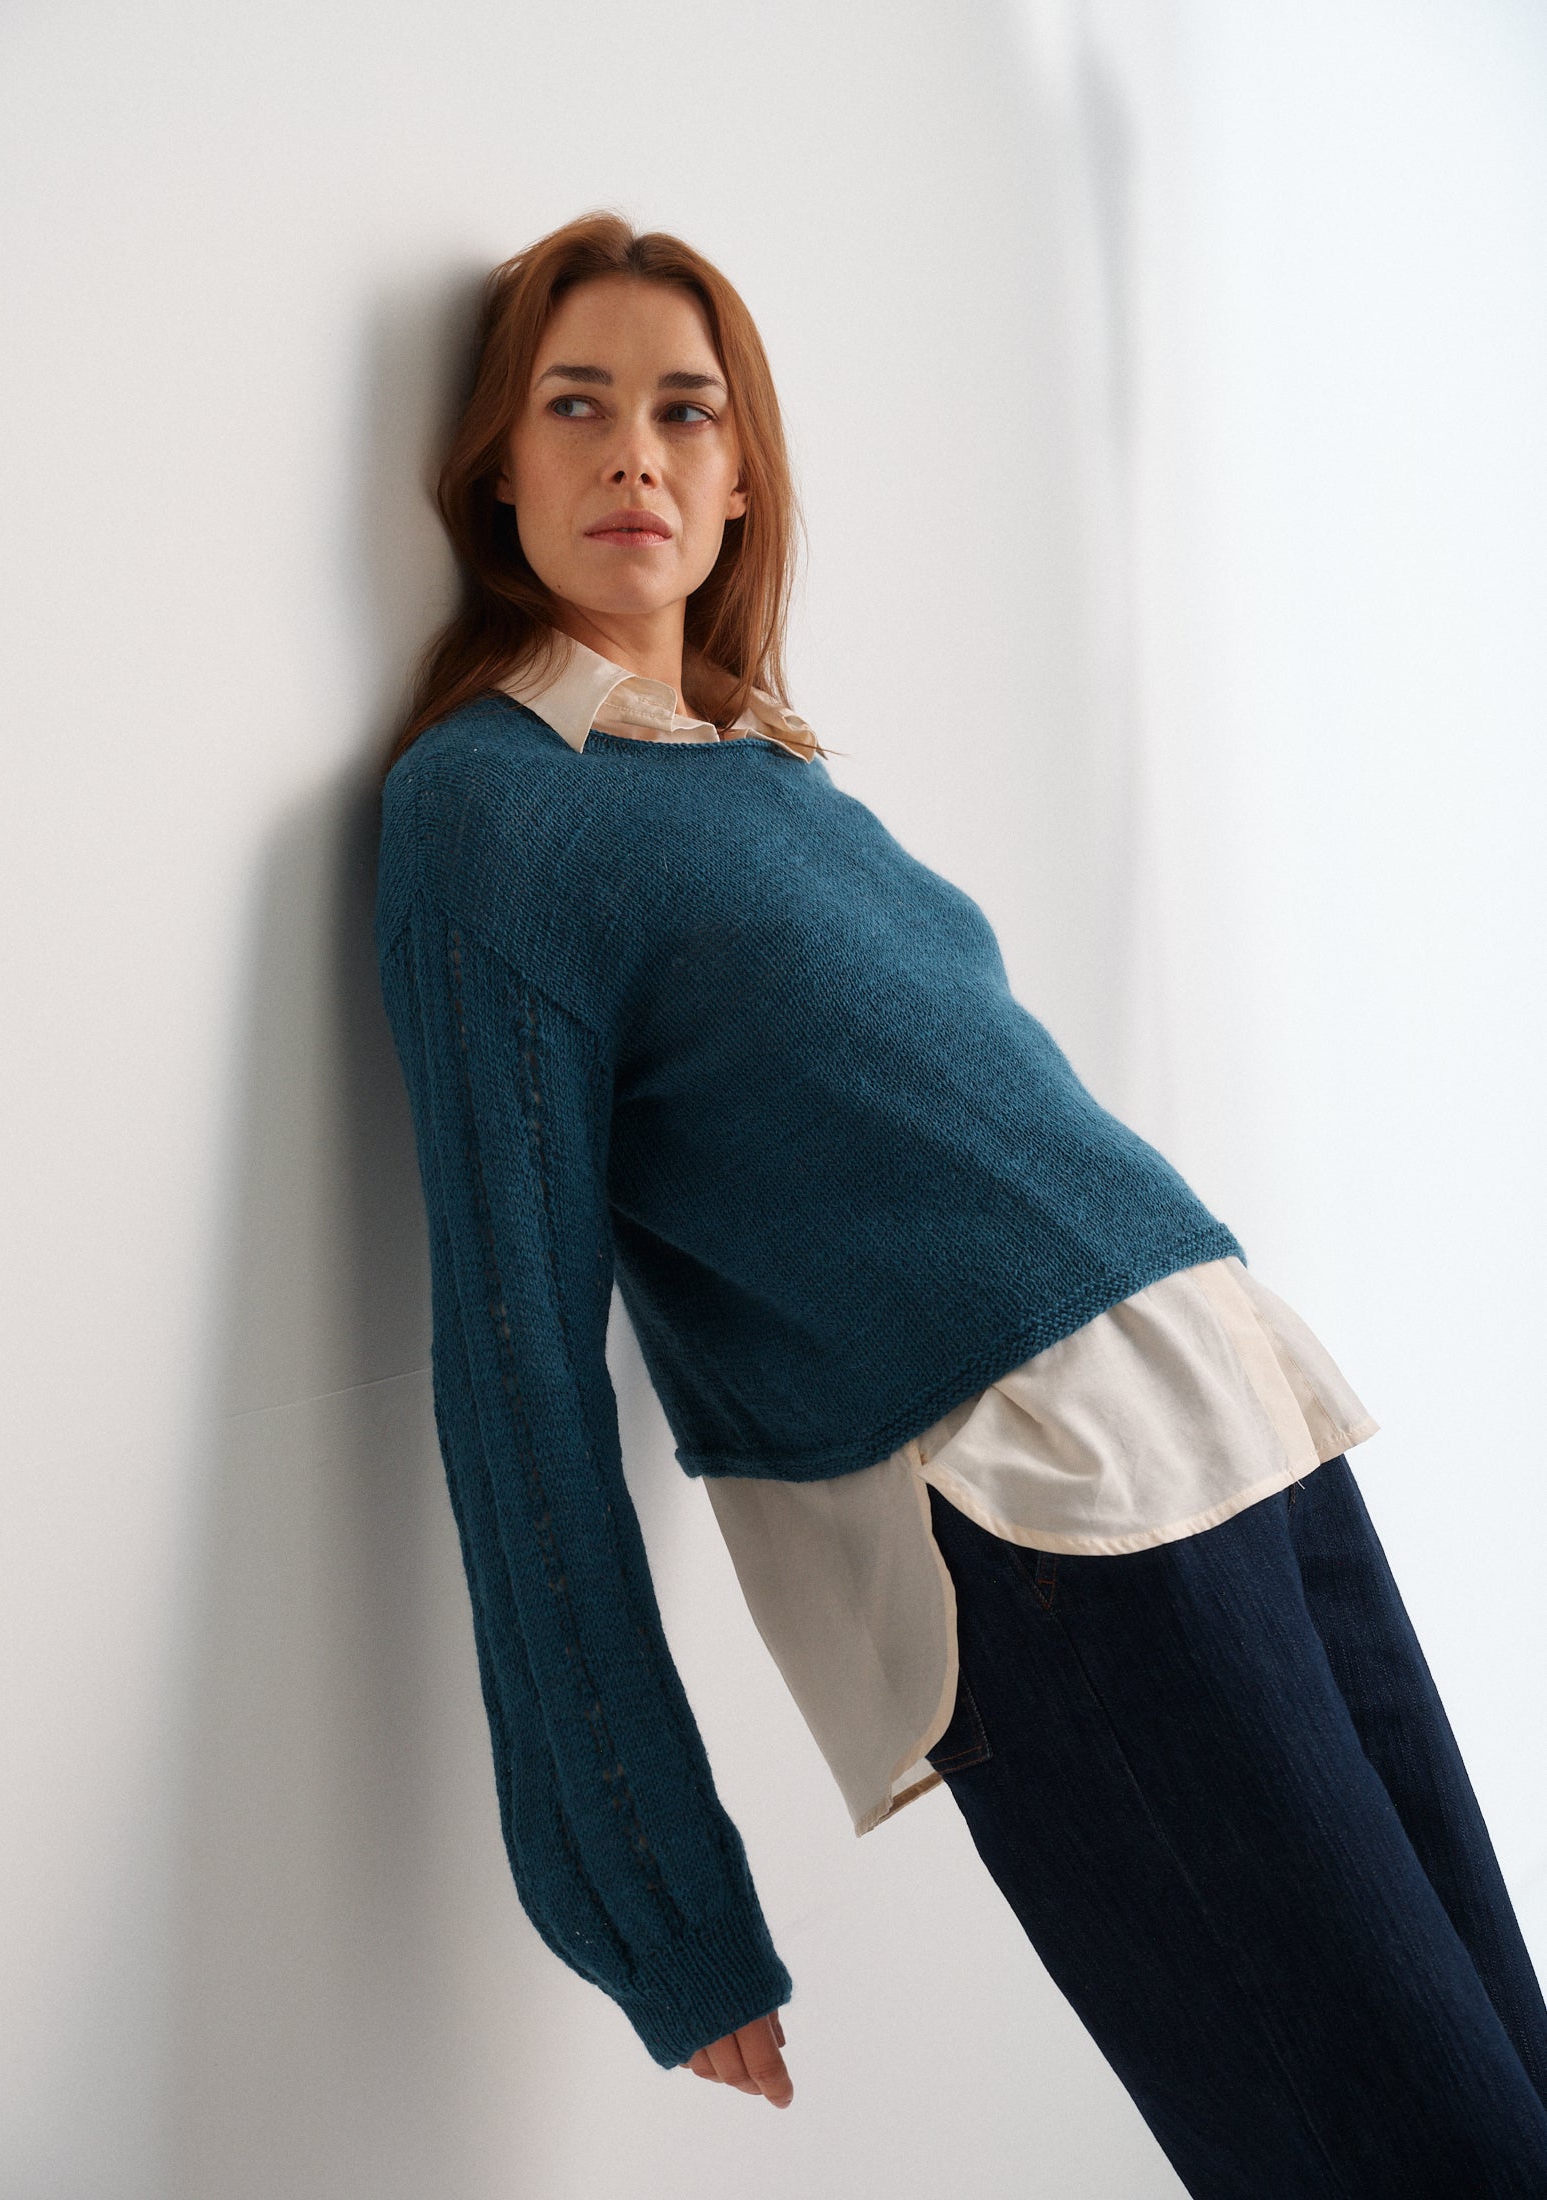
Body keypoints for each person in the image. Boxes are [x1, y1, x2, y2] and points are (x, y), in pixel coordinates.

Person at [373, 211, 1547, 2193]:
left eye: (685, 411)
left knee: (1505, 2087)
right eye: (576, 406)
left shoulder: (770, 774)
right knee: (1417, 2140)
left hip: (1241, 1426)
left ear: (742, 483)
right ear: (496, 465)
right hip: (1044, 1520)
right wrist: (650, 1883)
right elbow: (515, 1366)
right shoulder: (491, 812)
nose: (634, 453)